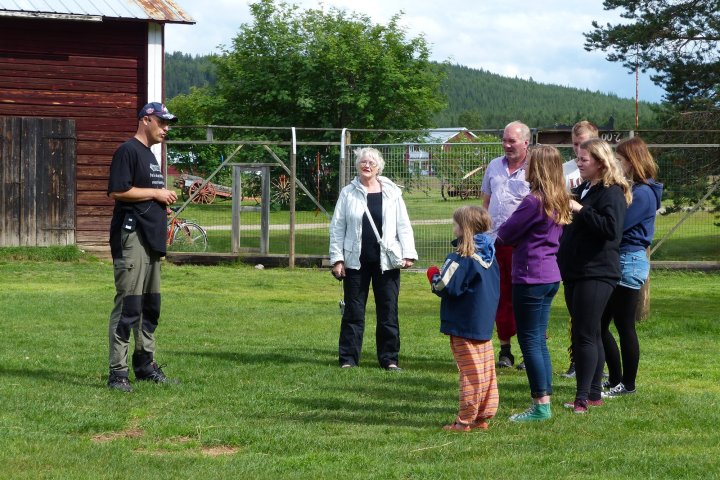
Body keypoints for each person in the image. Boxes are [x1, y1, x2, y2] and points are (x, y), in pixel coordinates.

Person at [106, 102, 179, 392]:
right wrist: (156, 193)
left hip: (151, 240)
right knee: (129, 306)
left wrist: (160, 206)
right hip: (132, 238)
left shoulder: (149, 157)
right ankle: (118, 373)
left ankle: (145, 365)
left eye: (167, 124)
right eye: (162, 123)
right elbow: (118, 190)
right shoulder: (128, 151)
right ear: (146, 120)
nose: (166, 128)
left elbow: (145, 196)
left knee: (151, 306)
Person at [495, 146, 571, 422]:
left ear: (537, 168)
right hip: (550, 274)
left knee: (530, 341)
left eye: (529, 164)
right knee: (538, 341)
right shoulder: (559, 199)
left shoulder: (533, 201)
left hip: (530, 276)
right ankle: (544, 401)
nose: (525, 169)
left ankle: (540, 405)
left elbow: (505, 234)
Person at [557, 138, 632, 413]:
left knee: (585, 334)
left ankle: (582, 399)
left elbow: (611, 230)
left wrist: (580, 209)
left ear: (600, 163)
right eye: (577, 159)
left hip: (597, 272)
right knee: (588, 333)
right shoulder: (587, 189)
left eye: (583, 160)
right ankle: (592, 394)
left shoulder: (612, 192)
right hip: (577, 271)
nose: (578, 164)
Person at [329, 147, 417, 371]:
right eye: (363, 162)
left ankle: (389, 359)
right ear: (357, 165)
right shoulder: (348, 193)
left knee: (388, 311)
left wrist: (408, 253)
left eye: (371, 163)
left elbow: (403, 225)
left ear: (379, 167)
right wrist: (337, 259)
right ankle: (348, 359)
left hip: (386, 263)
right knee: (353, 312)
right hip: (355, 262)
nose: (366, 165)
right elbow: (338, 228)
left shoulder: (392, 192)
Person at [427, 205, 500, 431]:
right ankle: (482, 415)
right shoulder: (490, 255)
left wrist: (432, 274)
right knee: (486, 369)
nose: (453, 227)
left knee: (469, 372)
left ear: (464, 229)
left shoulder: (461, 257)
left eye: (456, 224)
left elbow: (445, 286)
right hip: (483, 321)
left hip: (463, 323)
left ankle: (465, 419)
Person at [601, 137, 663, 398]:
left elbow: (619, 224)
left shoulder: (644, 194)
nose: (617, 162)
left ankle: (627, 384)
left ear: (633, 161)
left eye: (621, 159)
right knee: (601, 324)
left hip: (629, 260)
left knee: (624, 325)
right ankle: (615, 379)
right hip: (621, 259)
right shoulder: (635, 190)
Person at [481, 121, 531, 370]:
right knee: (500, 297)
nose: (507, 145)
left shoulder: (535, 167)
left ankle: (528, 353)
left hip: (525, 246)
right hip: (495, 244)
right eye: (504, 139)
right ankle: (505, 351)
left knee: (527, 297)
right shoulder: (494, 166)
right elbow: (486, 202)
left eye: (512, 140)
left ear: (526, 142)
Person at [561, 120, 599, 378]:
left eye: (584, 144)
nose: (578, 150)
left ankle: (597, 367)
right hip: (569, 243)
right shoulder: (565, 169)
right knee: (574, 310)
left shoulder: (605, 170)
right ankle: (577, 360)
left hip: (595, 253)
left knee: (595, 318)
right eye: (575, 144)